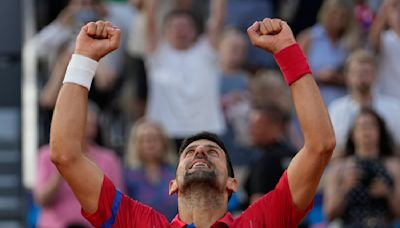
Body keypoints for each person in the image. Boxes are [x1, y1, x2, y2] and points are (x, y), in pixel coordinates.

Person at [50, 18, 335, 227]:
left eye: (212, 152)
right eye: (189, 152)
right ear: (173, 184)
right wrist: (84, 60)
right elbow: (65, 155)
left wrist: (288, 50)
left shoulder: (260, 222)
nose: (199, 152)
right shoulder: (138, 223)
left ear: (232, 183)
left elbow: (320, 146)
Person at [143, 0, 226, 148]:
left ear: (195, 30)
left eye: (186, 27)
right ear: (165, 31)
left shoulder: (206, 52)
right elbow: (150, 21)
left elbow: (218, 20)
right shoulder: (158, 53)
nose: (180, 31)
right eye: (175, 27)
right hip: (165, 131)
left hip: (205, 130)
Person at [33, 102, 123, 228]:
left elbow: (116, 205)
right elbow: (42, 200)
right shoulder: (47, 155)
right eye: (85, 123)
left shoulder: (109, 159)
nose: (89, 128)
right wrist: (62, 169)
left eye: (92, 124)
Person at [324, 108, 400, 226]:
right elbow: (329, 213)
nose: (366, 131)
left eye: (371, 126)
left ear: (380, 131)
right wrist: (345, 188)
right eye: (361, 127)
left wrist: (387, 194)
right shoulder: (339, 168)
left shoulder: (393, 166)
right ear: (353, 134)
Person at [329, 49, 400, 154]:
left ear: (376, 75)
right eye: (357, 73)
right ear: (347, 77)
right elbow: (333, 147)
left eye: (366, 72)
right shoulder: (335, 109)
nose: (362, 77)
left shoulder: (394, 108)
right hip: (345, 164)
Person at [123, 119, 178, 220]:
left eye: (154, 138)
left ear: (164, 143)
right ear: (136, 145)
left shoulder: (176, 171)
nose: (150, 143)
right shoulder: (127, 175)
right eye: (144, 139)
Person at [244, 104, 296, 205]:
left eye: (257, 126)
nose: (251, 131)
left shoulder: (265, 160)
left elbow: (257, 203)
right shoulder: (294, 155)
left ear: (276, 127)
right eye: (250, 125)